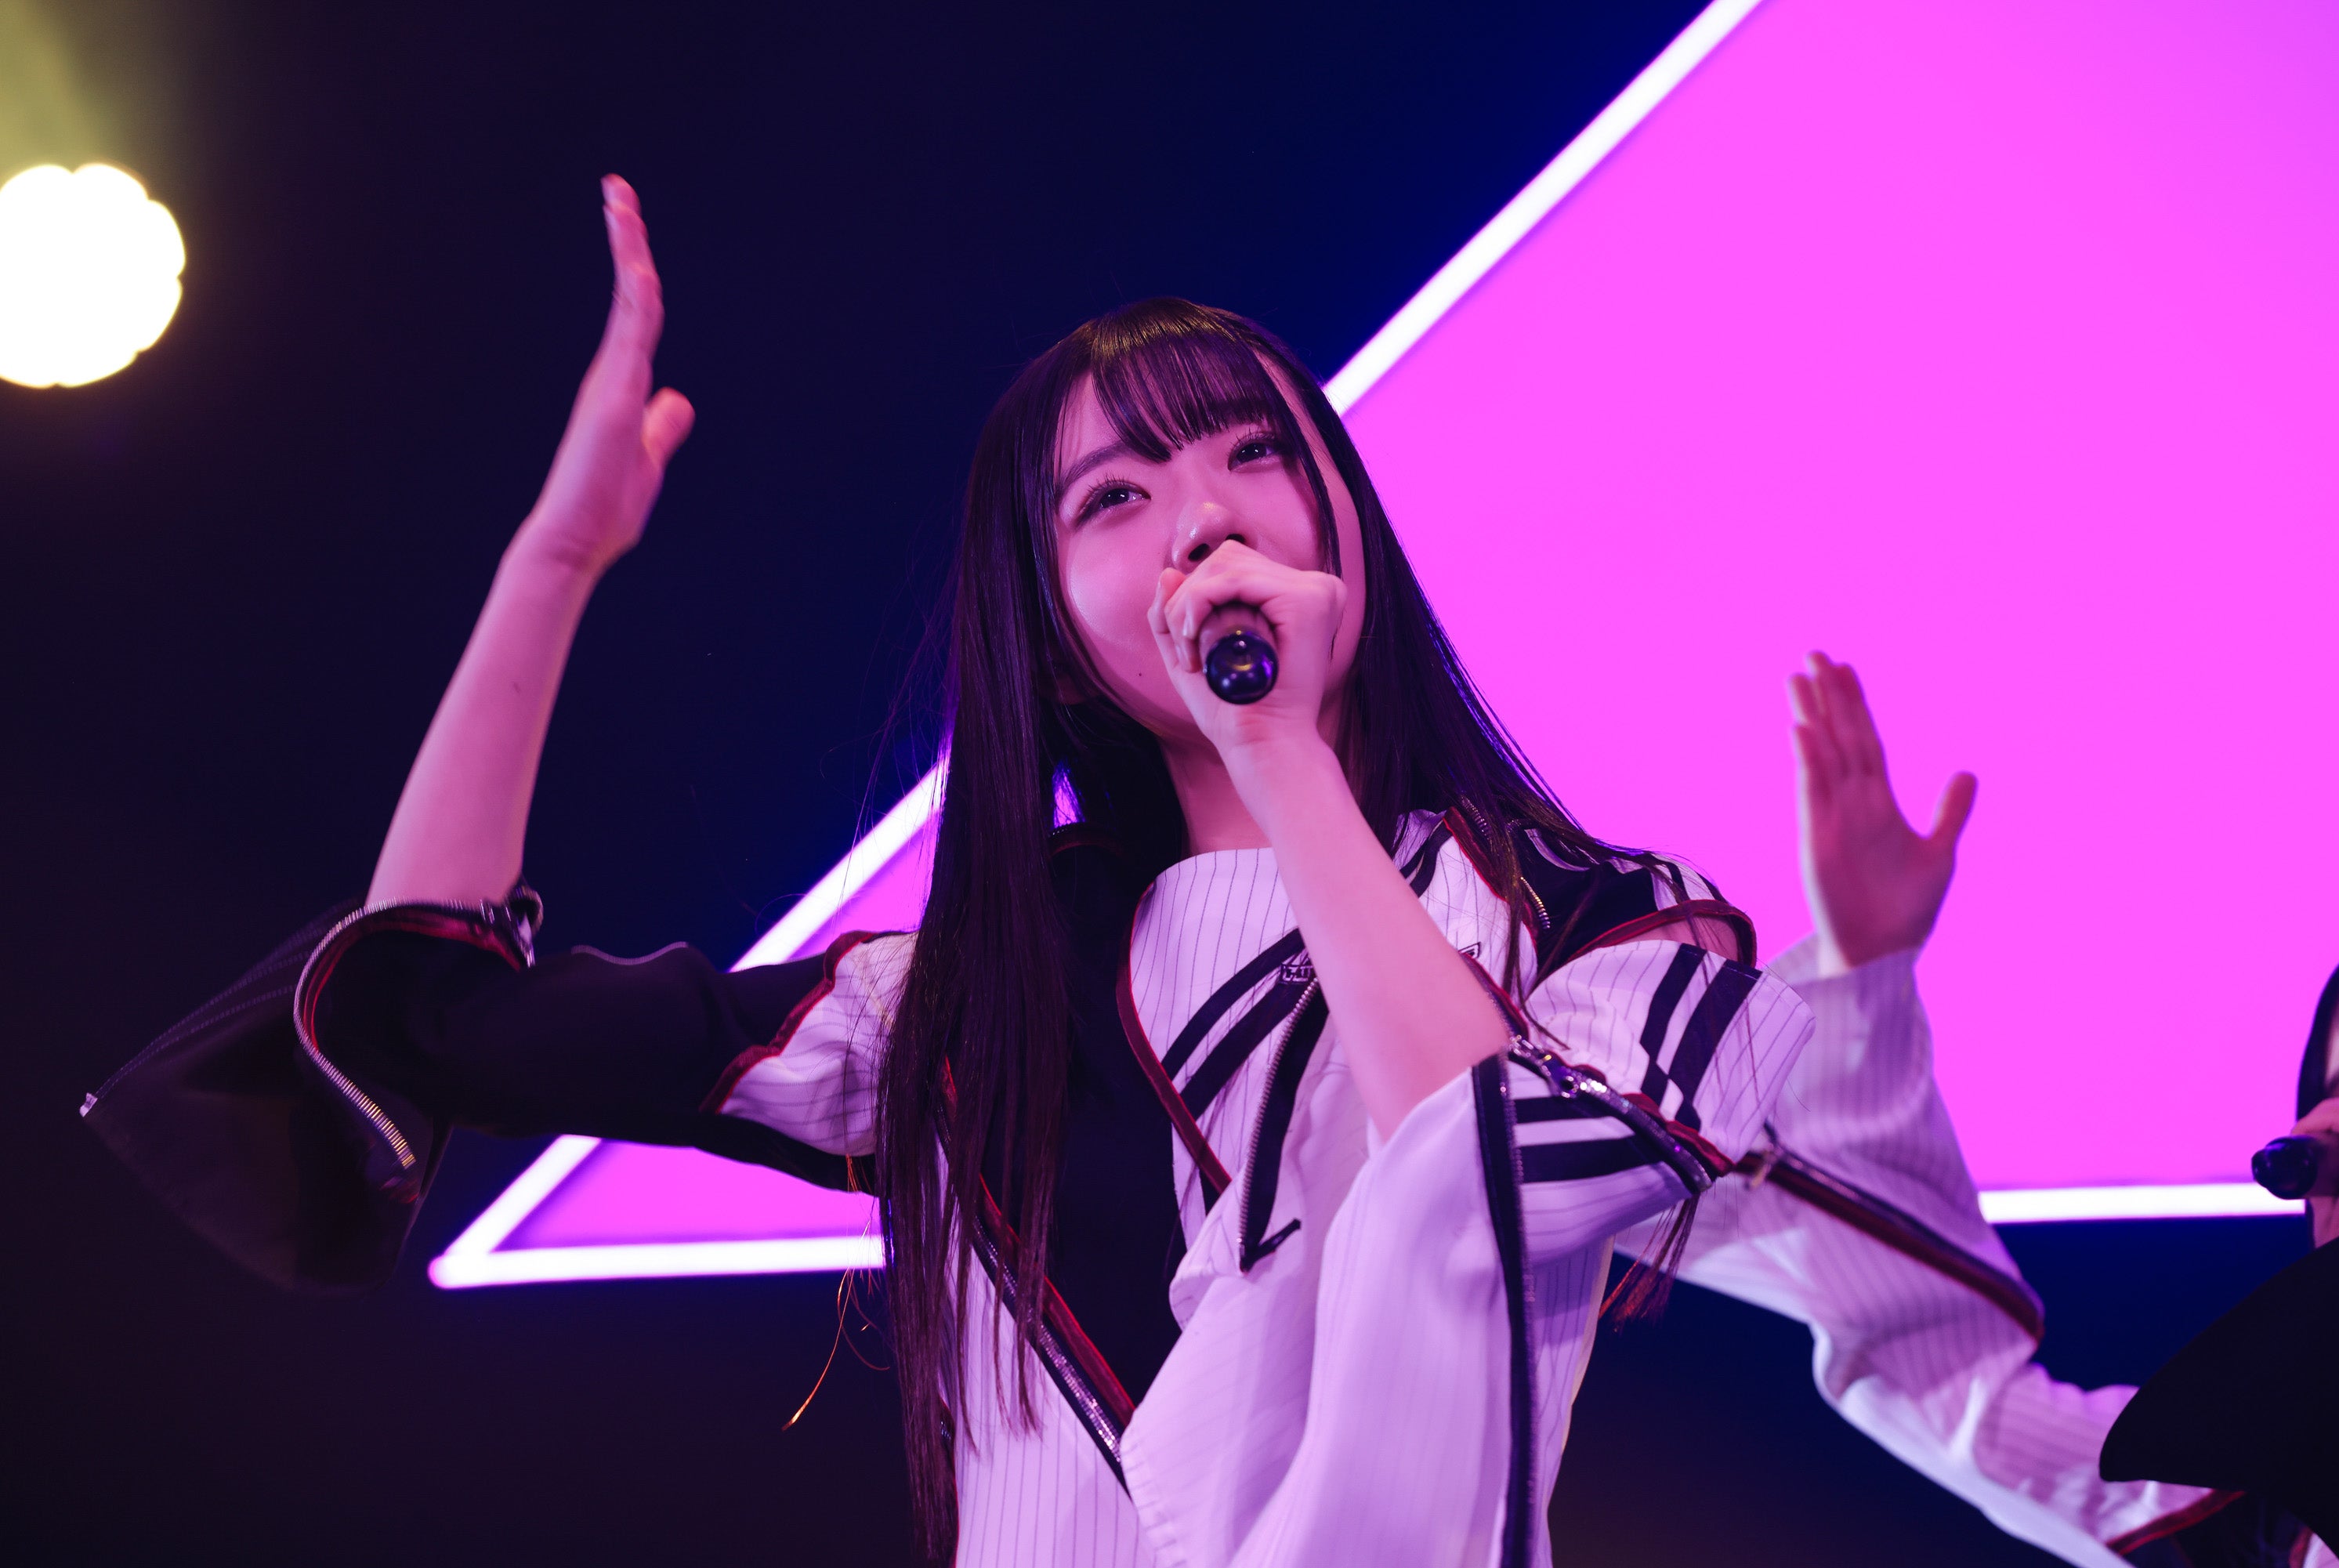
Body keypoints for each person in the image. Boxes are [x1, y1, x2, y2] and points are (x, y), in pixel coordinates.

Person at [85, 178, 1815, 1567]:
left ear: (1344, 512)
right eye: (1114, 498)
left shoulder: (1602, 926)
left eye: (1253, 452)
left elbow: (1490, 1187)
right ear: (1052, 632)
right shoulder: (966, 1002)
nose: (1203, 517)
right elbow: (440, 1005)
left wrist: (1276, 750)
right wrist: (555, 561)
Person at [1670, 654, 2338, 1568]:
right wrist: (1865, 979)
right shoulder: (2257, 1510)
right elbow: (1945, 1384)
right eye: (2330, 1087)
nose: (2321, 1132)